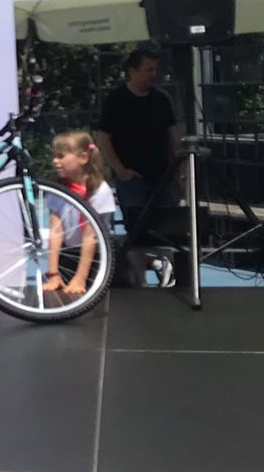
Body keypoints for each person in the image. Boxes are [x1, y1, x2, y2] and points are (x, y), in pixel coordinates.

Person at [93, 48, 183, 261]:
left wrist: (180, 169)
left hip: (163, 175)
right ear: (132, 72)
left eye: (155, 69)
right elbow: (104, 138)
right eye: (148, 69)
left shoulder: (161, 99)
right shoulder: (116, 100)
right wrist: (120, 170)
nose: (153, 74)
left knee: (171, 229)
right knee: (136, 231)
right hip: (132, 176)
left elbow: (173, 135)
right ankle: (139, 274)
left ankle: (169, 269)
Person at [45, 131, 117, 297]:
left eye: (61, 156)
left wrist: (80, 278)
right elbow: (55, 231)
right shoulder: (58, 190)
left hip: (97, 257)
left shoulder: (100, 190)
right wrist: (53, 273)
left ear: (83, 158)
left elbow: (90, 237)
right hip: (69, 254)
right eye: (54, 156)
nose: (55, 161)